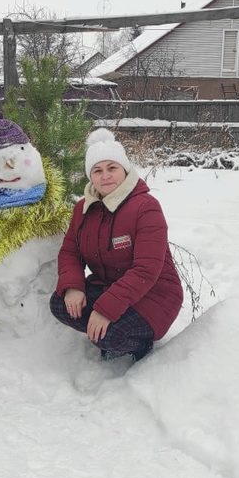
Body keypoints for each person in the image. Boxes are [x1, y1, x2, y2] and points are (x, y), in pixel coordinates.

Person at [50, 128, 183, 363]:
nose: (105, 176)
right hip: (110, 286)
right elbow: (70, 251)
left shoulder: (146, 207)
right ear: (90, 176)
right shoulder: (83, 208)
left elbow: (146, 270)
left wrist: (105, 310)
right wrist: (73, 287)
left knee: (108, 335)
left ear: (125, 169)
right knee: (60, 303)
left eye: (112, 168)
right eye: (97, 170)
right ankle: (104, 331)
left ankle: (138, 345)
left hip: (155, 295)